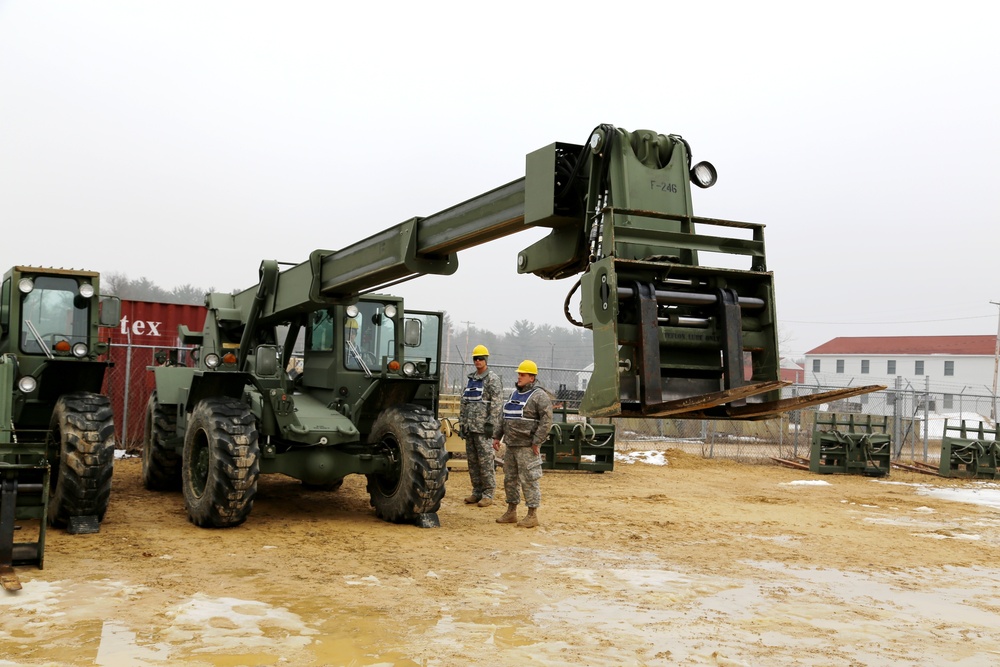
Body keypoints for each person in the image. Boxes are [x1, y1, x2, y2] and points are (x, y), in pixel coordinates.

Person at [492, 359, 552, 528]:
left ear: (532, 378)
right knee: (510, 479)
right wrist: (497, 436)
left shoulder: (540, 396)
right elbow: (505, 417)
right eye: (519, 374)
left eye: (523, 374)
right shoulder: (513, 394)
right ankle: (511, 512)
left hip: (527, 447)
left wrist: (537, 441)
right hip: (511, 446)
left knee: (529, 480)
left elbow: (546, 422)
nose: (519, 377)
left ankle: (532, 515)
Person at [458, 345, 503, 507]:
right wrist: (462, 423)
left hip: (483, 428)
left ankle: (488, 493)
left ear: (486, 360)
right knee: (473, 461)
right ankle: (476, 491)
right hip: (470, 427)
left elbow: (497, 404)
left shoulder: (492, 379)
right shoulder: (471, 379)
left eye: (481, 359)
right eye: (475, 359)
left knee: (485, 461)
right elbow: (464, 402)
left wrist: (491, 424)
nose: (478, 361)